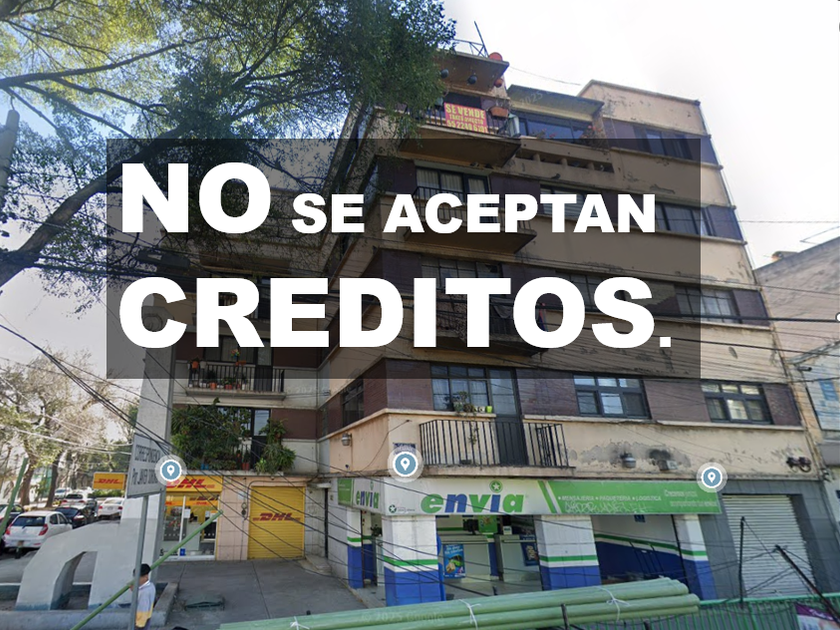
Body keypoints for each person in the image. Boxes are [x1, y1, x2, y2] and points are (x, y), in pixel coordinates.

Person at [131, 563, 155, 630]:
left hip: (141, 622)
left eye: (138, 578)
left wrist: (139, 625)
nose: (136, 580)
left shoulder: (144, 593)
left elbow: (143, 609)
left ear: (146, 577)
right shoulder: (151, 586)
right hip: (147, 617)